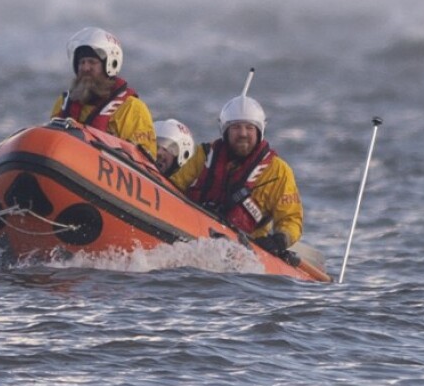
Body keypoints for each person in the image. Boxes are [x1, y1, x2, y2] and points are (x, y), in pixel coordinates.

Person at [169, 95, 303, 257]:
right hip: (193, 227)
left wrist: (279, 240)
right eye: (236, 127)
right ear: (225, 131)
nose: (243, 133)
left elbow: (291, 219)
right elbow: (173, 185)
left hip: (245, 248)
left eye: (249, 128)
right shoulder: (204, 155)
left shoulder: (278, 172)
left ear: (260, 131)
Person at [50, 27, 157, 159]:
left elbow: (145, 160)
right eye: (81, 62)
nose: (85, 68)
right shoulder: (63, 103)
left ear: (110, 65)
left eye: (92, 62)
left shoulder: (132, 109)